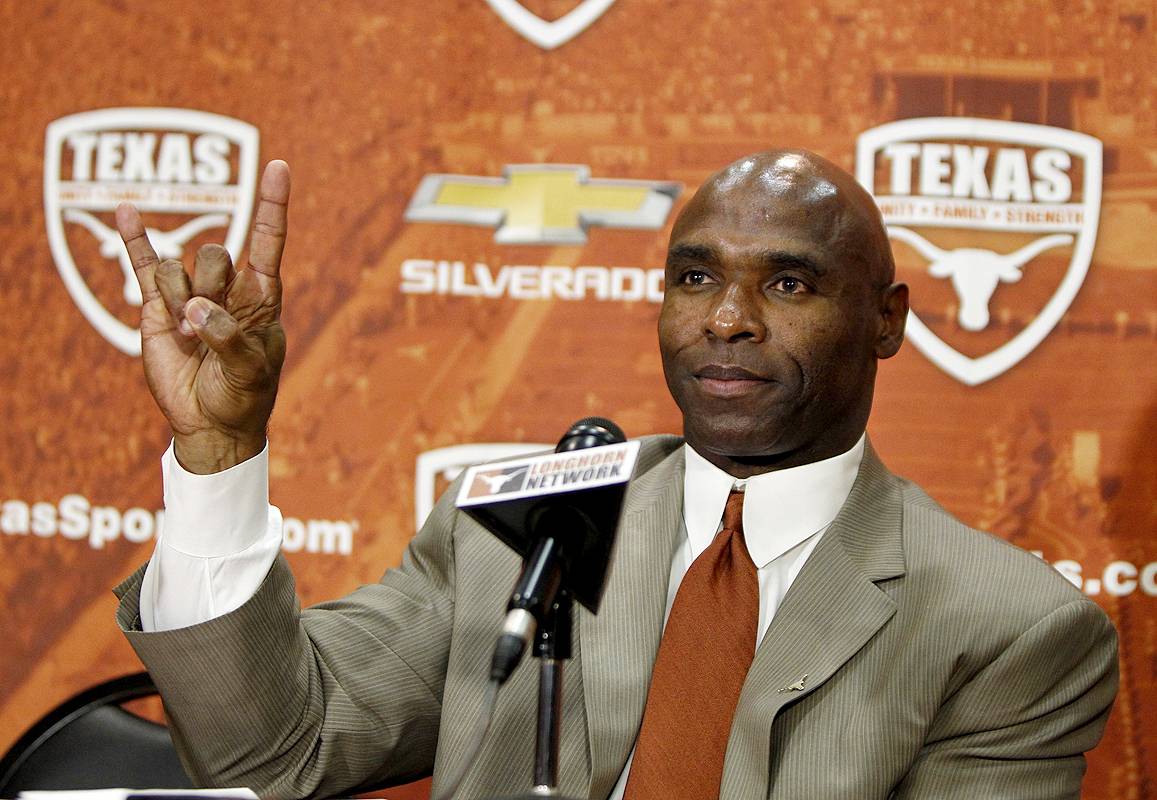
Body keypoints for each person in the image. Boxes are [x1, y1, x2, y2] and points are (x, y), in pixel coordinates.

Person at [113, 151, 1118, 799]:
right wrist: (218, 453)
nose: (725, 318)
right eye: (692, 277)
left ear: (886, 320)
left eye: (785, 281)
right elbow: (272, 754)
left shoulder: (1008, 628)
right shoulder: (523, 520)